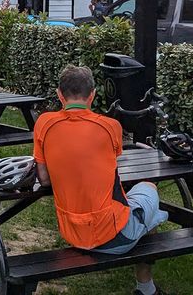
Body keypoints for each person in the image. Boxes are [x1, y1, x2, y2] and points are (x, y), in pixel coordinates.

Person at [34, 65, 169, 295]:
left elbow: (44, 179)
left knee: (144, 209)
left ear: (59, 94)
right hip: (114, 235)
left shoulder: (44, 124)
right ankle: (146, 287)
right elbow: (112, 161)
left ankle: (147, 285)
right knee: (149, 190)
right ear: (93, 94)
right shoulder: (110, 126)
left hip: (72, 233)